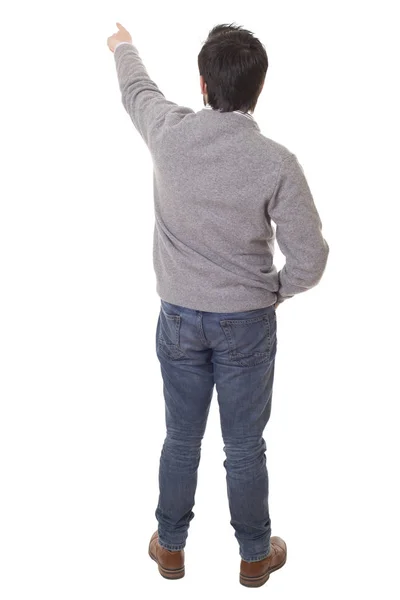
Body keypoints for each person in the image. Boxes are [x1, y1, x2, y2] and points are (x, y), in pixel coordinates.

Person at [107, 21, 329, 587]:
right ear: (259, 89)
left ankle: (171, 547)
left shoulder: (168, 132)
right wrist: (274, 291)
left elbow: (139, 90)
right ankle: (254, 555)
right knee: (244, 445)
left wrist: (122, 45)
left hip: (179, 318)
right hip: (248, 324)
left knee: (181, 437)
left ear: (203, 85)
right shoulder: (277, 161)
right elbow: (311, 258)